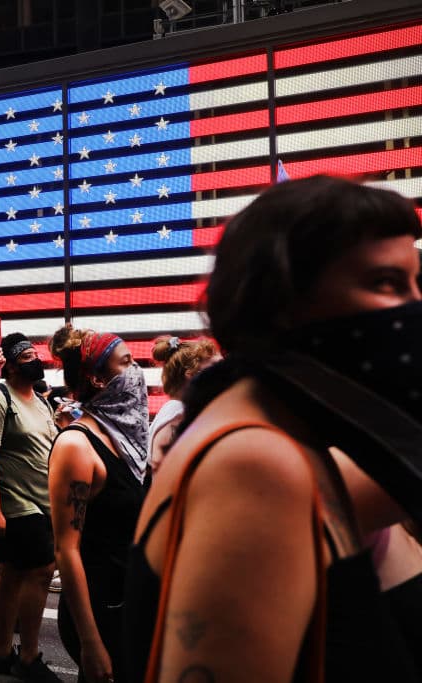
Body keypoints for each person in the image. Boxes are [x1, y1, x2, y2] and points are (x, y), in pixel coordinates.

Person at [125, 176, 422, 682]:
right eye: (387, 283)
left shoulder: (286, 438)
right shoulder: (255, 462)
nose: (413, 308)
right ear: (283, 301)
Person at [47, 327, 149, 683]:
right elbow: (67, 551)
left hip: (130, 601)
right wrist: (91, 642)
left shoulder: (127, 438)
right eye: (127, 363)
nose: (138, 370)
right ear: (97, 378)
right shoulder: (76, 445)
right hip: (101, 610)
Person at [0, 332, 61, 682]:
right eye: (25, 355)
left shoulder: (41, 401)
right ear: (6, 364)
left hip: (43, 499)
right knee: (40, 572)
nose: (35, 359)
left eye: (34, 353)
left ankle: (3, 652)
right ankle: (29, 656)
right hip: (15, 503)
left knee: (9, 575)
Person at [146, 336, 220, 473]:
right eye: (216, 370)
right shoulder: (177, 413)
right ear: (191, 375)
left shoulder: (179, 411)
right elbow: (159, 463)